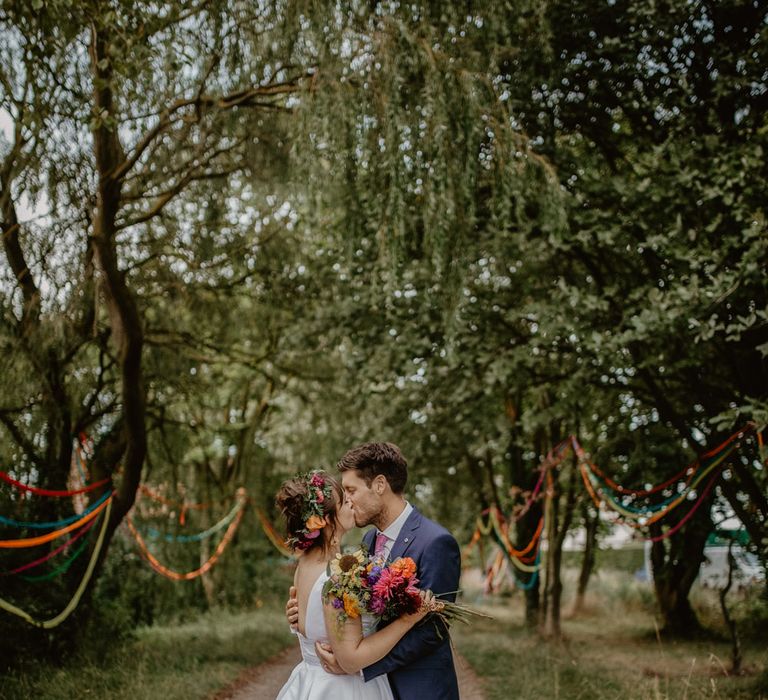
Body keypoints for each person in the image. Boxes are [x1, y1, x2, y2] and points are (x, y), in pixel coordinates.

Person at [285, 443, 461, 700]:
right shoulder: (367, 541)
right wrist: (309, 614)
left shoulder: (435, 541)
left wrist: (360, 667)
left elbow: (433, 630)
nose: (349, 501)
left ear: (380, 485)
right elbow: (354, 608)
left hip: (418, 687)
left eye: (351, 491)